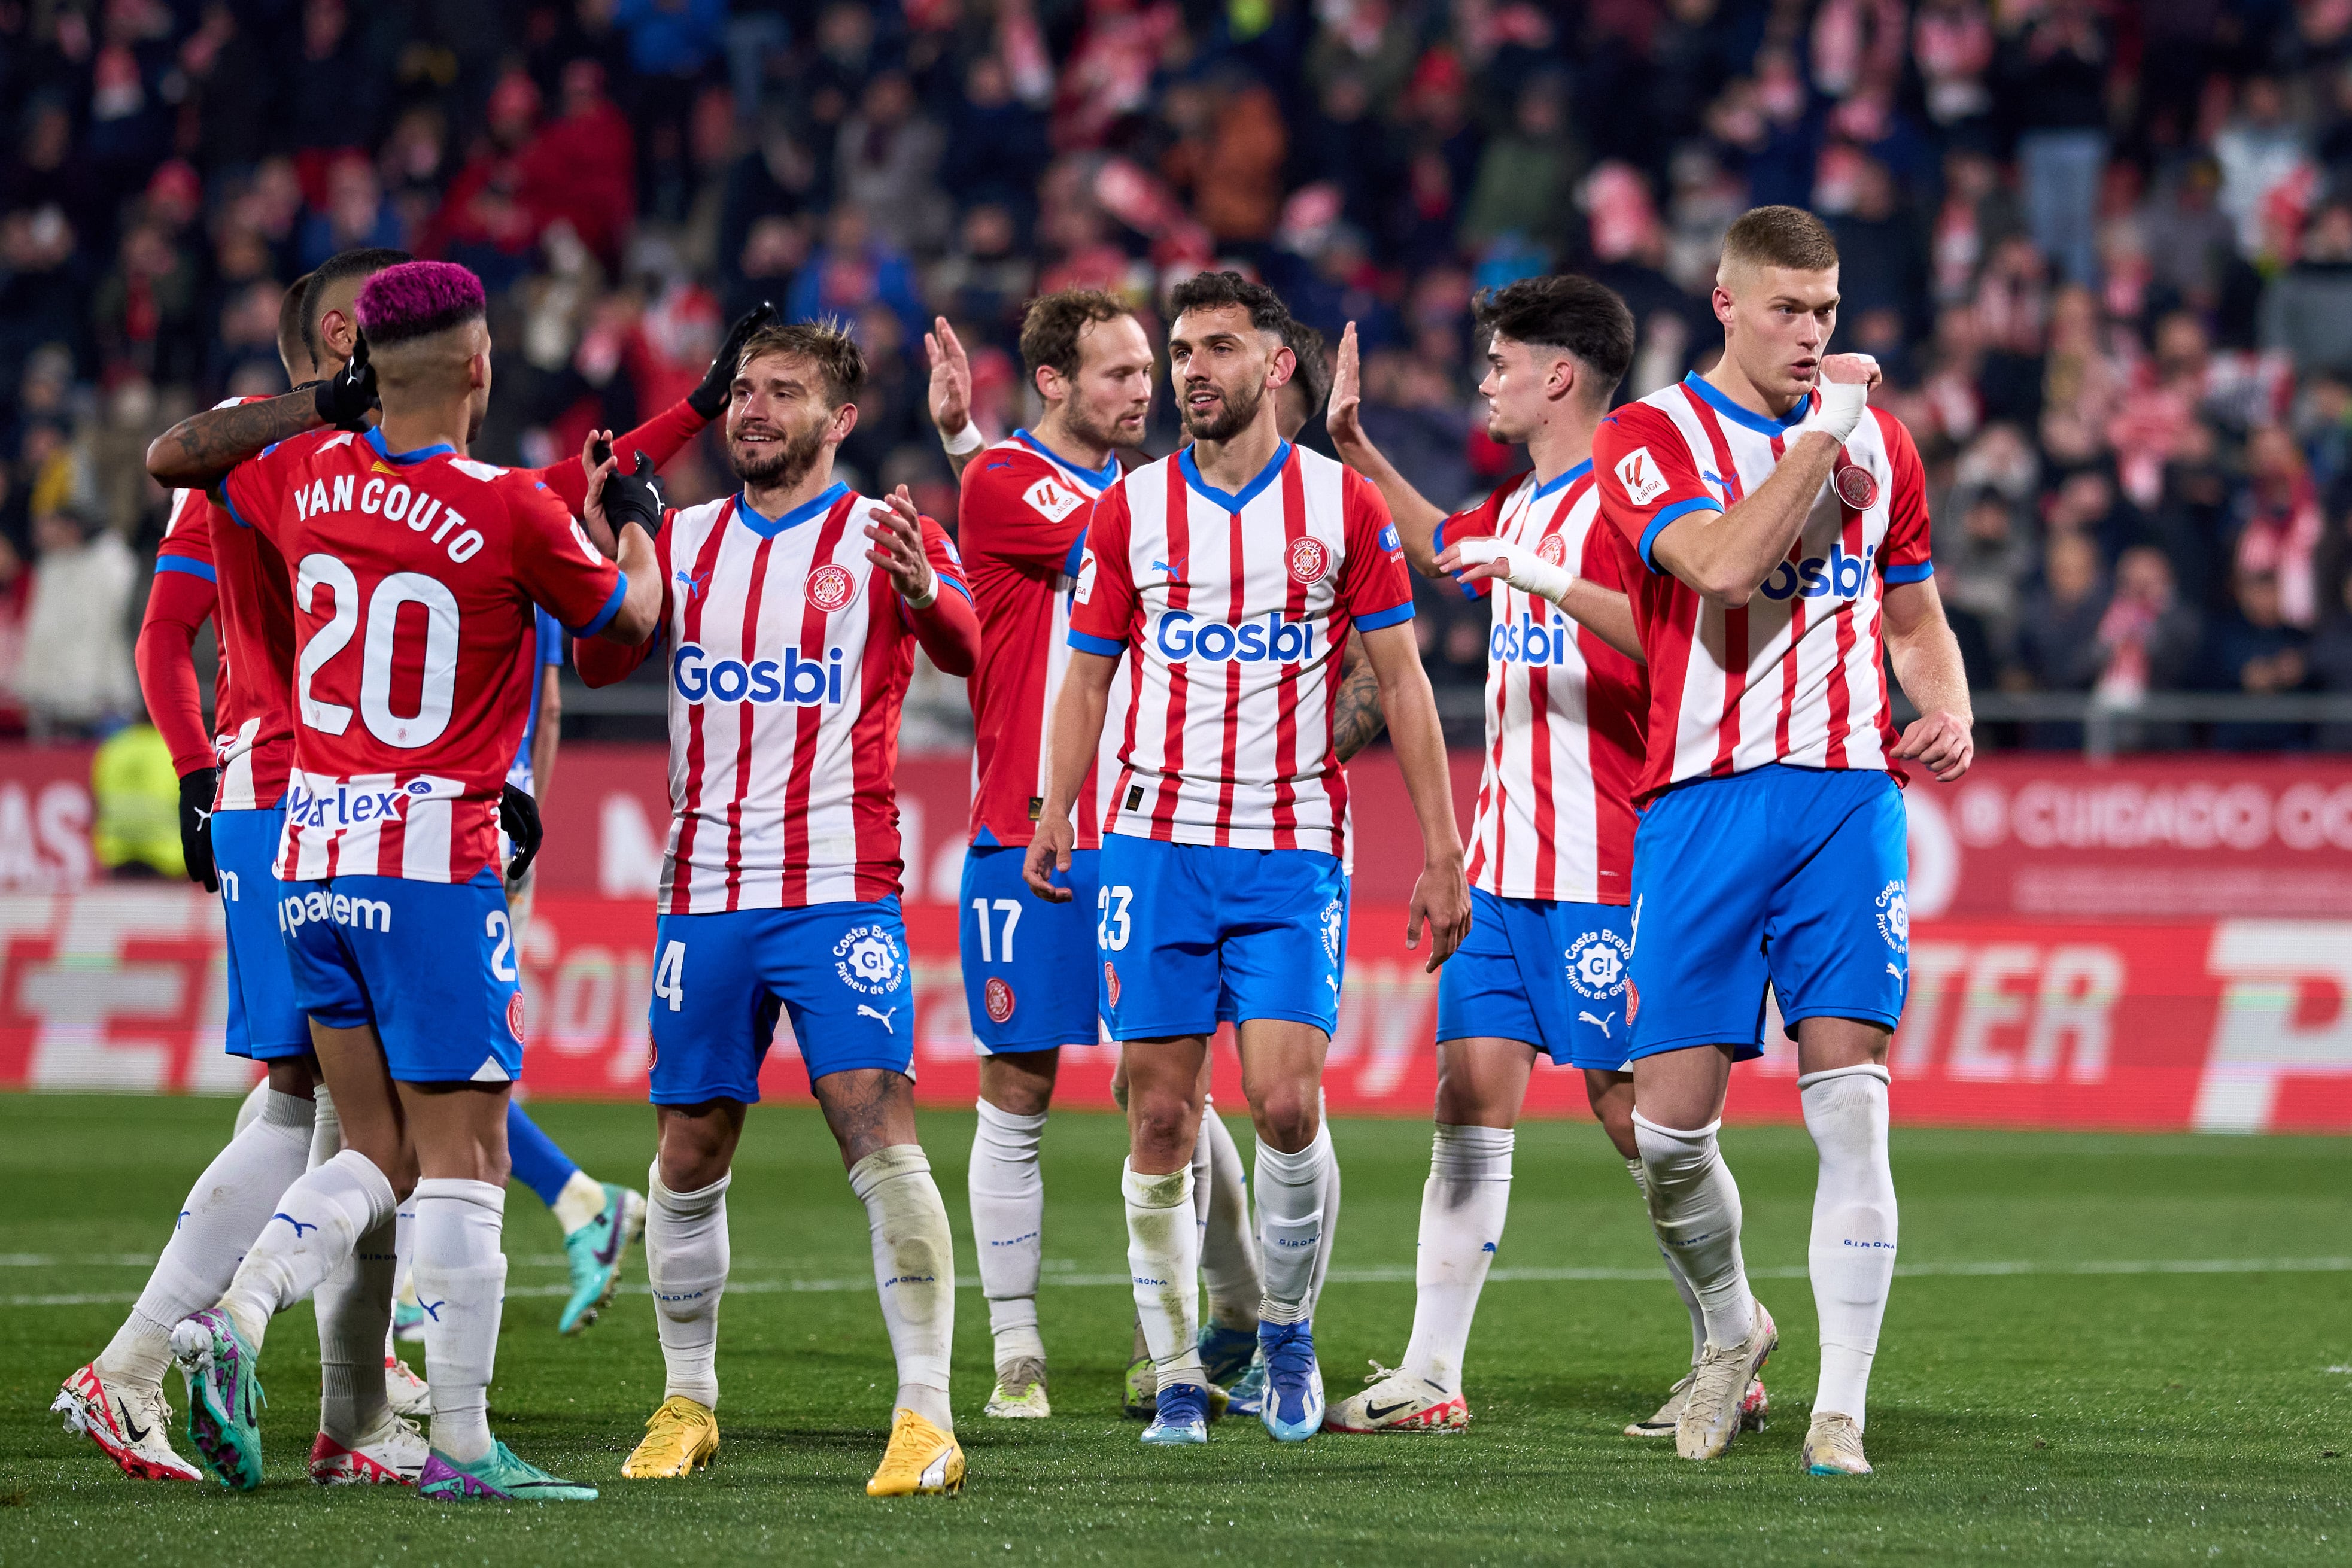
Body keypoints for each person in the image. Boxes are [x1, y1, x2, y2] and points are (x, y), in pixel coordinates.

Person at [169, 259, 664, 1502]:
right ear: (481, 368)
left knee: (377, 1149)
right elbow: (617, 640)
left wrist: (322, 405)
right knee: (467, 1156)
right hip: (434, 866)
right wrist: (642, 524)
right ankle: (458, 1438)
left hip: (311, 863)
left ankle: (236, 1312)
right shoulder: (511, 509)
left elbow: (180, 454)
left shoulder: (298, 473)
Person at [1023, 270, 1471, 1446]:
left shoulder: (1344, 508)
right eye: (1179, 350)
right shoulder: (1128, 512)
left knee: (1282, 1104)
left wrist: (1443, 848)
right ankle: (1175, 1369)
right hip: (1155, 847)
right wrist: (1053, 803)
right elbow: (1084, 673)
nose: (1190, 371)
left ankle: (1284, 1330)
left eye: (1217, 347)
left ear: (1276, 365)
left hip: (1290, 851)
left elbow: (1405, 681)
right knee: (1160, 1117)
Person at [1321, 273, 1768, 1439]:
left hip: (1610, 868)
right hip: (1504, 870)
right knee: (1467, 1095)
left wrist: (1548, 582)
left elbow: (1680, 643)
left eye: (1500, 362)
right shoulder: (1518, 507)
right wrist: (1359, 453)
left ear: (1556, 375)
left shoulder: (1633, 497)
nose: (1485, 381)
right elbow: (1443, 546)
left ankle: (1734, 1335)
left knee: (1635, 1115)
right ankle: (1432, 1368)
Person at [1588, 206, 1973, 1476]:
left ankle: (1841, 1411)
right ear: (1726, 302)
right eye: (1787, 310)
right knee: (1669, 1132)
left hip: (1844, 799)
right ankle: (1731, 1324)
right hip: (1700, 799)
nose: (1812, 334)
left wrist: (1947, 702)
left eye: (1827, 310)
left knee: (1851, 1102)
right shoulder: (1649, 436)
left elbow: (1911, 613)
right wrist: (1821, 444)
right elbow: (1721, 566)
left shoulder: (1885, 443)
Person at [573, 320, 981, 1497]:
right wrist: (622, 549)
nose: (753, 408)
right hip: (701, 898)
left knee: (876, 1125)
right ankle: (686, 1397)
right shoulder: (685, 538)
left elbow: (967, 648)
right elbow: (604, 658)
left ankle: (925, 1414)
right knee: (688, 1147)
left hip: (836, 891)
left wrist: (924, 593)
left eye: (783, 391)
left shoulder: (888, 531)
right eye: (743, 390)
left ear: (838, 419)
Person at [57, 271, 436, 1489]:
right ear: (341, 336)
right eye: (395, 312)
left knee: (334, 1105)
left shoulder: (374, 452)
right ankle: (142, 1363)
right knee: (320, 1107)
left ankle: (356, 1400)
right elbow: (169, 626)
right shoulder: (254, 447)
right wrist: (193, 769)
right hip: (286, 789)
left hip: (349, 797)